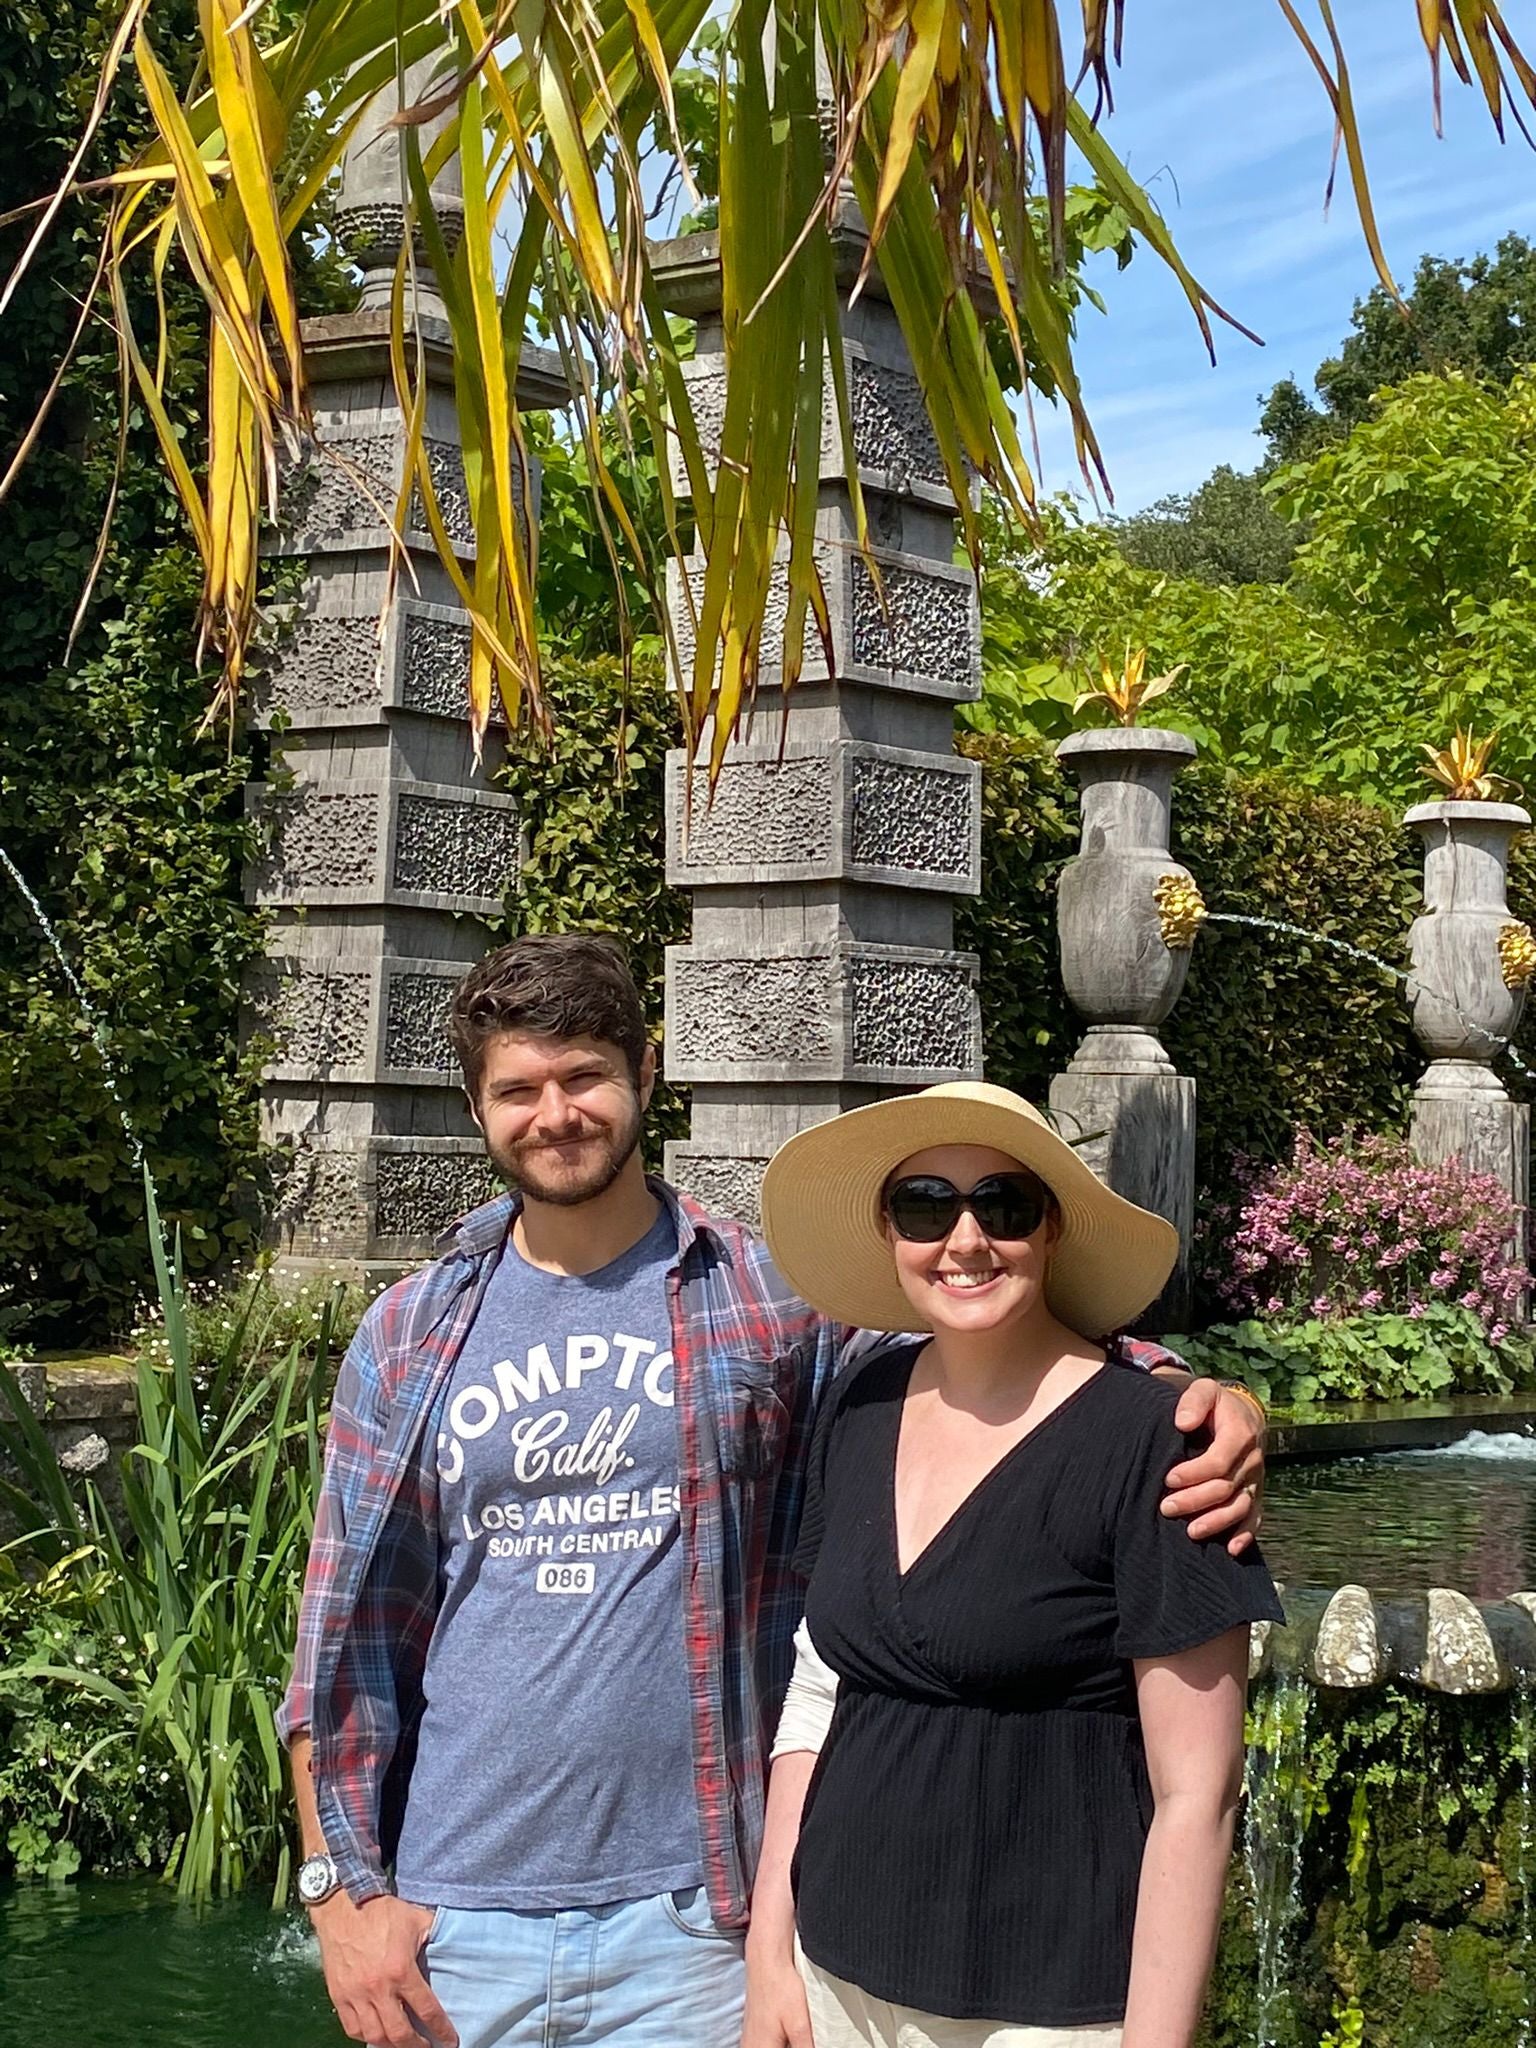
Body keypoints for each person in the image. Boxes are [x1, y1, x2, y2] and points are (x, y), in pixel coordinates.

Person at [279, 936, 1267, 2048]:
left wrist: (1182, 1388)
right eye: (519, 1088)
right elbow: (339, 1646)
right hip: (456, 1919)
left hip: (694, 1922)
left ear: (644, 1074)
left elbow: (977, 1338)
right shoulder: (408, 1332)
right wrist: (337, 1896)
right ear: (479, 1107)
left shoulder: (759, 1299)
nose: (557, 1112)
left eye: (585, 1076)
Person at [743, 1081, 1284, 2048]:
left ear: (1053, 1229)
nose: (964, 1240)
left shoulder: (1161, 1447)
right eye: (924, 1205)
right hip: (835, 1982)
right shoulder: (862, 1407)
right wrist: (770, 1952)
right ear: (887, 1233)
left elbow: (1198, 1794)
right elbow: (821, 1686)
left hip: (1052, 2007)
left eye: (1002, 1204)